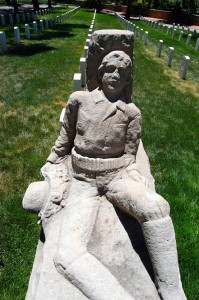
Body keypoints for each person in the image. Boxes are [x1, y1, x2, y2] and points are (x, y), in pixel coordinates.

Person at [41, 51, 186, 300]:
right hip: (81, 179)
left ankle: (171, 289)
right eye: (110, 69)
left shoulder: (131, 113)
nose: (115, 75)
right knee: (67, 253)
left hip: (116, 175)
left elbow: (130, 154)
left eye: (122, 73)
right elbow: (65, 138)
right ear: (101, 72)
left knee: (157, 209)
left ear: (127, 80)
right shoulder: (79, 100)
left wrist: (136, 177)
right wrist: (52, 162)